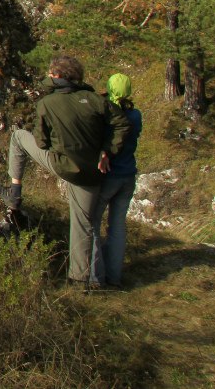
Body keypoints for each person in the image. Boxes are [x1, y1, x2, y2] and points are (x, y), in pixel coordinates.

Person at [0, 55, 131, 285]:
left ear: (59, 77)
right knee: (84, 224)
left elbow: (42, 142)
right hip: (92, 171)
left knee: (17, 137)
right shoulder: (94, 99)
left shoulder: (47, 104)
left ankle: (14, 191)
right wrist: (107, 151)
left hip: (62, 164)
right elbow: (122, 124)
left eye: (51, 75)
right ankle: (85, 279)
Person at [95, 73, 141, 287]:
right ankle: (114, 276)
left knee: (92, 224)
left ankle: (95, 274)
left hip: (108, 176)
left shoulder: (107, 116)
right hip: (128, 175)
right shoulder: (136, 115)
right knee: (117, 226)